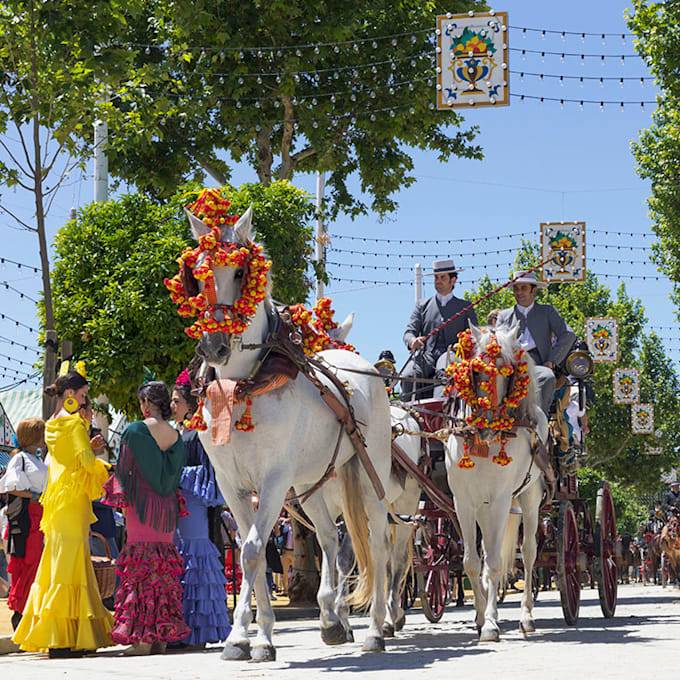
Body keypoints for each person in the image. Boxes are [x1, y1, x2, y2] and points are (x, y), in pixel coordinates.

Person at [12, 370, 113, 658]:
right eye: (82, 396)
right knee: (70, 564)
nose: (85, 402)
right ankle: (65, 639)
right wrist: (104, 467)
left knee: (57, 562)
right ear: (70, 395)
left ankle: (63, 636)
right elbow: (84, 462)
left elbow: (65, 459)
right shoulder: (73, 423)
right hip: (71, 501)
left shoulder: (52, 424)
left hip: (56, 500)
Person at [103, 381, 190, 655]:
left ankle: (141, 639)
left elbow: (124, 474)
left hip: (141, 508)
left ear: (145, 403)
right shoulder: (175, 435)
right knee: (162, 569)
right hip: (165, 510)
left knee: (141, 567)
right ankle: (160, 637)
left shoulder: (134, 431)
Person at [170, 370, 230, 648]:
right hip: (176, 506)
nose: (172, 406)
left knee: (195, 559)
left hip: (193, 504)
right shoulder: (179, 432)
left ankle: (199, 631)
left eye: (176, 401)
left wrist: (177, 476)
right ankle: (180, 628)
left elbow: (208, 474)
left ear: (189, 403)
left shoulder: (198, 432)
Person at [496, 271, 576, 416]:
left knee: (548, 377)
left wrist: (552, 360)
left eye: (524, 288)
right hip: (511, 367)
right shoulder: (504, 316)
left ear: (534, 290)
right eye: (516, 288)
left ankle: (540, 423)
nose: (519, 292)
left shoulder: (547, 311)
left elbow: (568, 335)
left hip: (538, 365)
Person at [402, 259, 478, 401]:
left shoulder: (466, 307)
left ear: (453, 280)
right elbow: (408, 332)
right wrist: (413, 341)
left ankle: (441, 415)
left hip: (452, 355)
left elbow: (475, 337)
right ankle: (409, 416)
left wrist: (463, 345)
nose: (438, 280)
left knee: (445, 373)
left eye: (442, 277)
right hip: (426, 357)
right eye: (436, 277)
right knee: (407, 375)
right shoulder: (422, 305)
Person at [0, 418, 47, 633]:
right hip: (27, 517)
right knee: (27, 565)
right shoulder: (19, 458)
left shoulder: (35, 458)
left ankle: (30, 616)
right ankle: (20, 616)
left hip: (40, 515)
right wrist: (34, 495)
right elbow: (10, 487)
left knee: (37, 566)